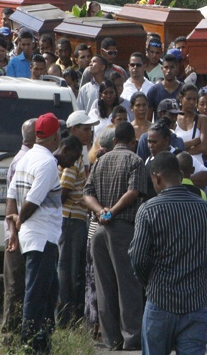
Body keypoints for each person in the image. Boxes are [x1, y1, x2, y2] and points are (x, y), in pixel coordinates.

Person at [129, 152, 207, 355]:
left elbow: (137, 259)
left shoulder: (148, 210)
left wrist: (152, 282)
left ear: (156, 177)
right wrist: (198, 275)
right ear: (181, 174)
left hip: (159, 301)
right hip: (195, 302)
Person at [84, 121, 146, 351]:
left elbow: (87, 194)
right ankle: (131, 337)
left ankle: (111, 339)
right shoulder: (135, 160)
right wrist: (114, 210)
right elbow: (134, 191)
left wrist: (101, 210)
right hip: (122, 227)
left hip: (99, 230)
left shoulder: (100, 161)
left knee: (104, 285)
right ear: (132, 141)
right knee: (127, 284)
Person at [6, 113, 64, 354]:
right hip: (41, 237)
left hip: (33, 235)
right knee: (36, 295)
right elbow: (31, 201)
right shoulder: (47, 163)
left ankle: (43, 343)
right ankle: (28, 345)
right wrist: (17, 225)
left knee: (50, 293)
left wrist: (12, 230)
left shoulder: (25, 158)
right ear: (55, 136)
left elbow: (10, 197)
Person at [1, 119, 36, 336]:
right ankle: (10, 331)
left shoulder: (28, 159)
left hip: (23, 230)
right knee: (15, 284)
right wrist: (14, 229)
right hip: (17, 231)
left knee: (21, 282)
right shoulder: (22, 161)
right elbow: (11, 199)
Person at [56, 129, 90, 328]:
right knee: (67, 271)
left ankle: (69, 318)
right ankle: (63, 320)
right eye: (85, 129)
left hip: (75, 218)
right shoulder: (73, 159)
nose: (89, 133)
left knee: (72, 271)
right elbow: (64, 190)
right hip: (70, 218)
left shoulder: (76, 157)